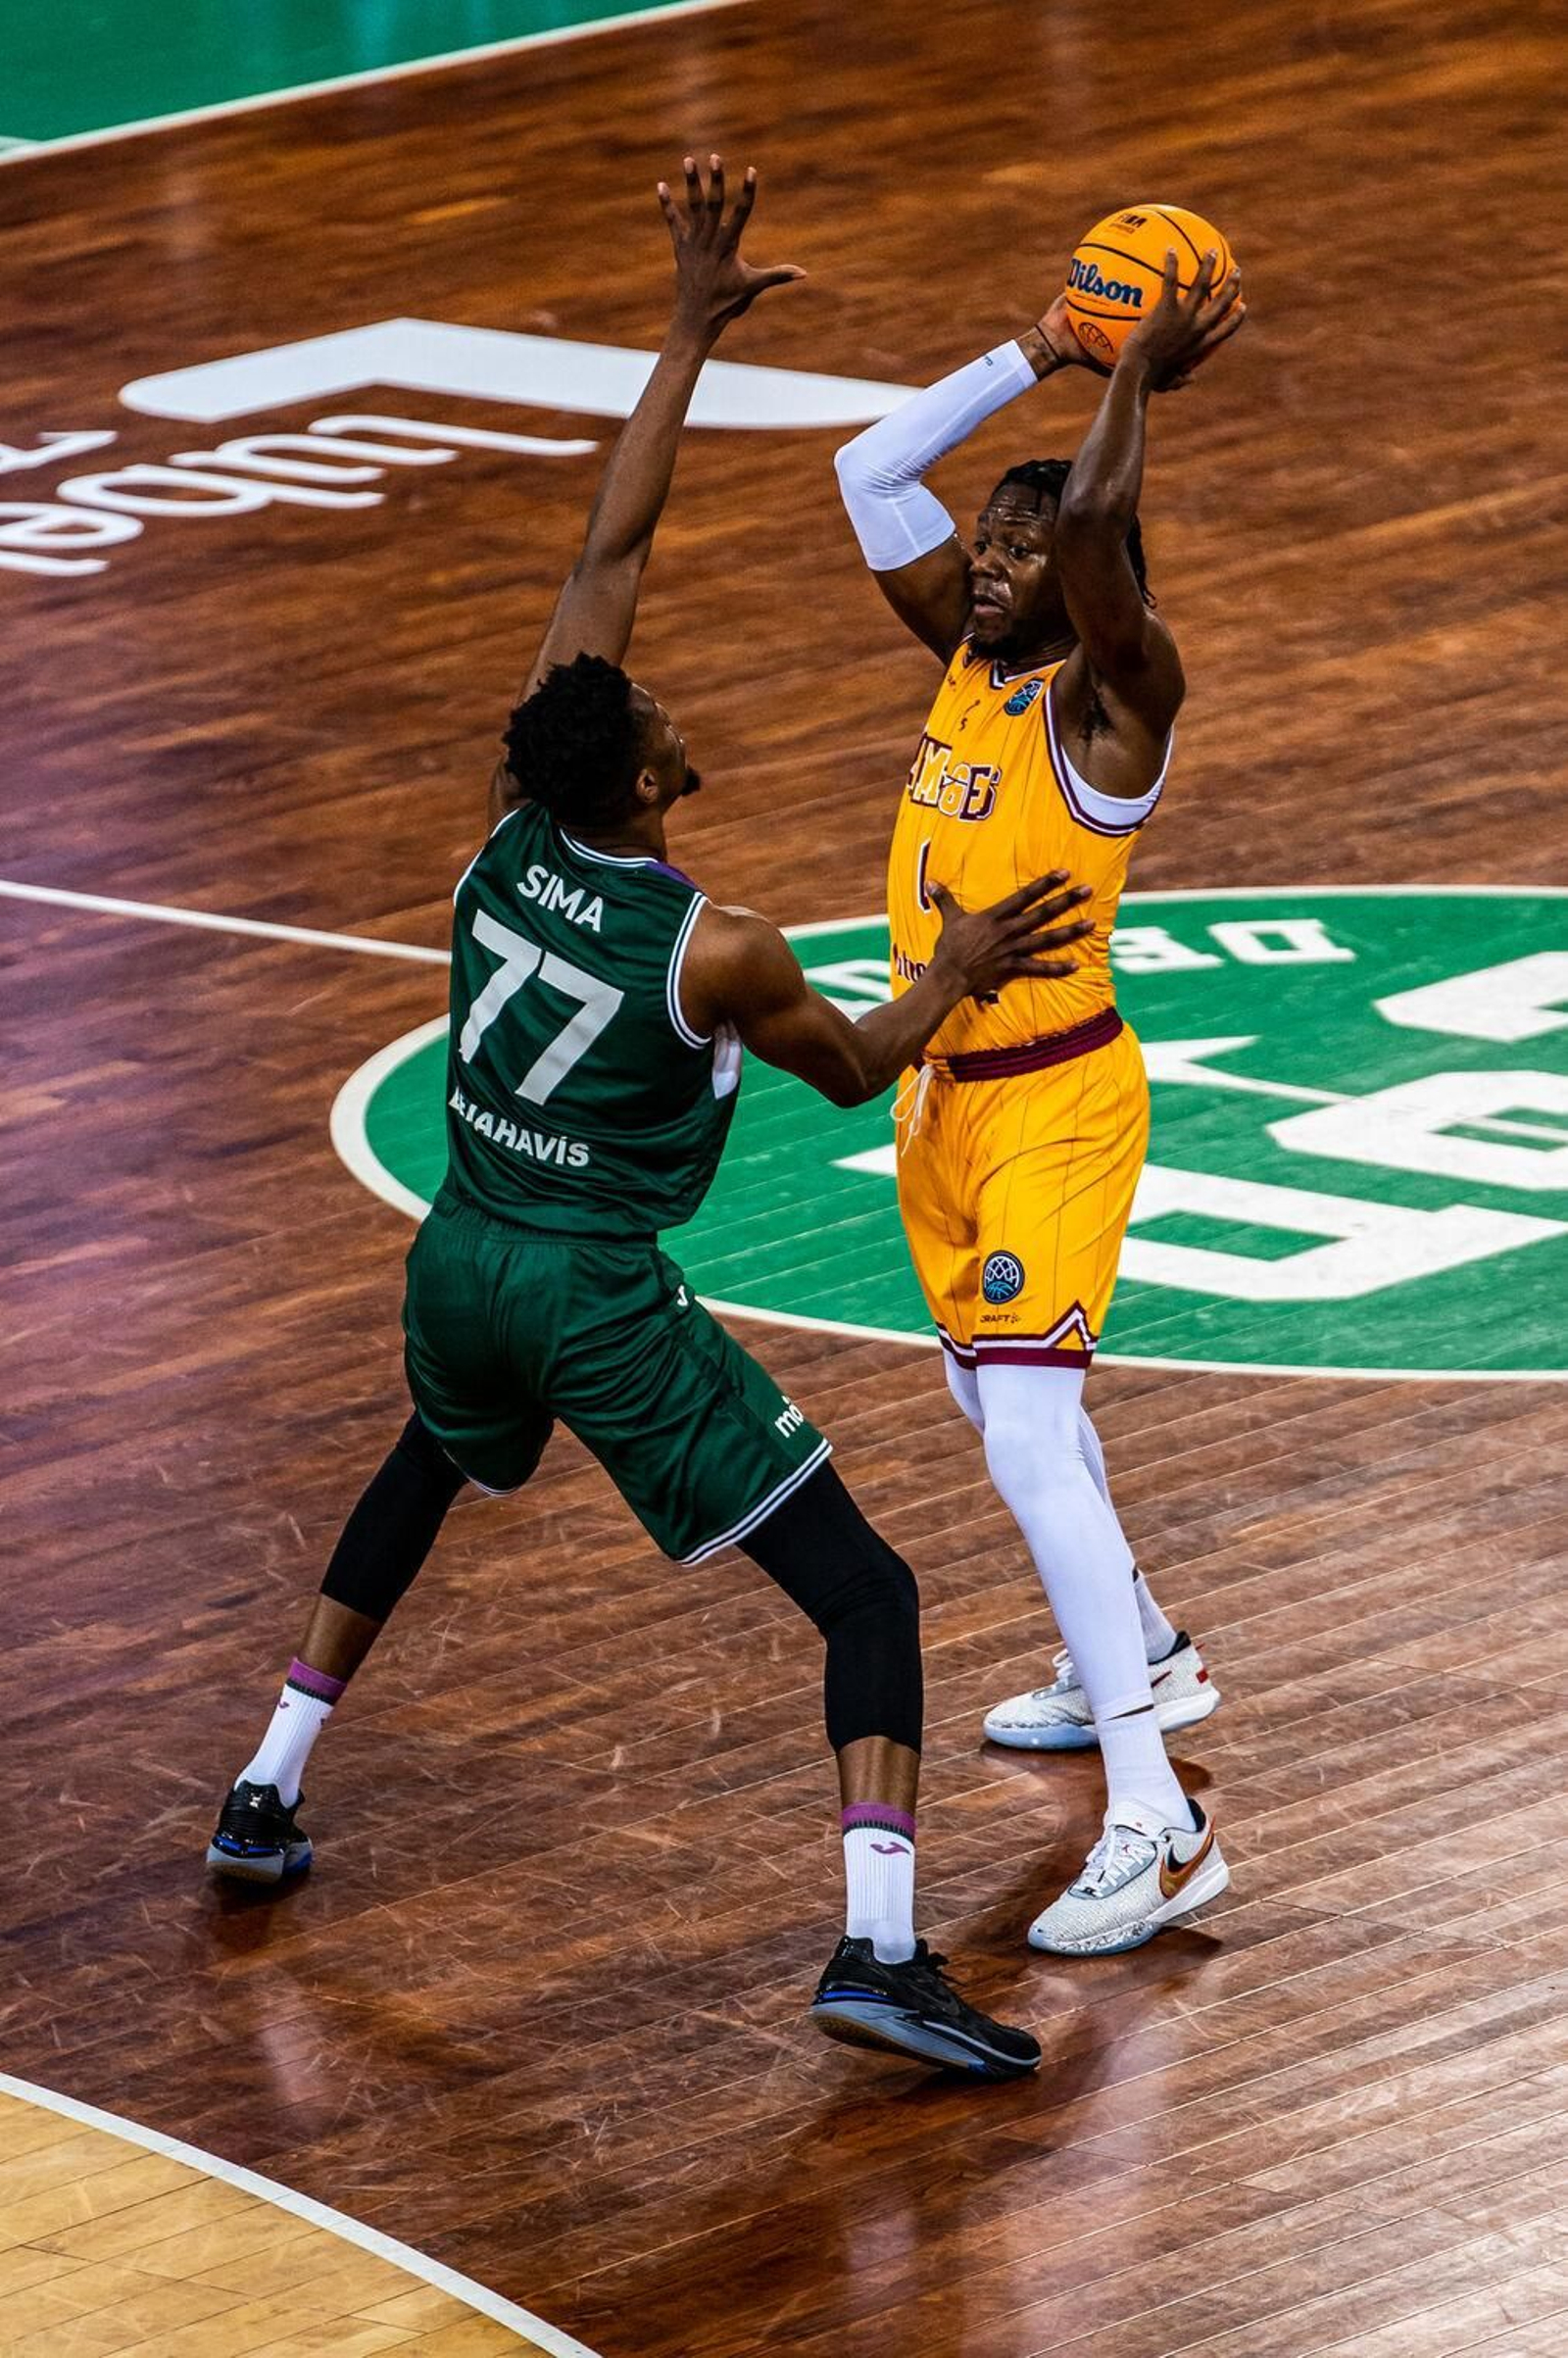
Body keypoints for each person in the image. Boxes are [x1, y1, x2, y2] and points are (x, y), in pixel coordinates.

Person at [208, 158, 1094, 2082]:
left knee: (433, 1461)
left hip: (455, 1250)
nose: (670, 699)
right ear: (638, 781)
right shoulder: (719, 949)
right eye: (658, 715)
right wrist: (958, 967)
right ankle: (875, 1946)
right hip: (596, 1299)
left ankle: (267, 1785)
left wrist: (681, 336)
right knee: (864, 1589)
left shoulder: (517, 826)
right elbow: (858, 1066)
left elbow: (607, 554)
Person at [833, 249, 1246, 1957]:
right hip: (945, 1107)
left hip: (1060, 1099)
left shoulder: (1116, 698)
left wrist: (1131, 372)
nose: (996, 565)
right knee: (995, 1401)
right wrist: (1035, 346)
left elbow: (1094, 538)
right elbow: (868, 470)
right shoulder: (975, 656)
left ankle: (1160, 1819)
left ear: (1099, 596)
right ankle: (1132, 1645)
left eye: (1026, 550)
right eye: (988, 546)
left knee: (1021, 1430)